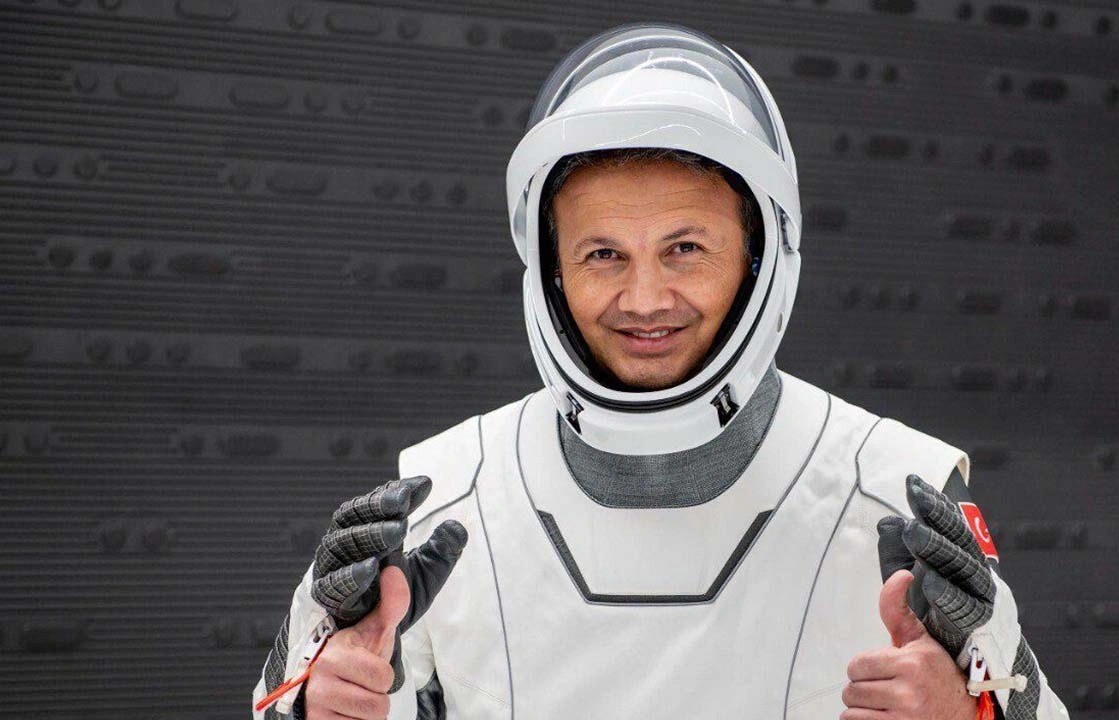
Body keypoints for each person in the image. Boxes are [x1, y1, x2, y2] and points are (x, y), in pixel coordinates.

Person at [252, 23, 1069, 720]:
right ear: (552, 271)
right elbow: (315, 699)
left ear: (760, 257)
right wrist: (320, 693)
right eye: (603, 254)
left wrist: (975, 706)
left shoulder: (897, 498)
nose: (645, 300)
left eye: (685, 248)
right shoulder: (445, 504)